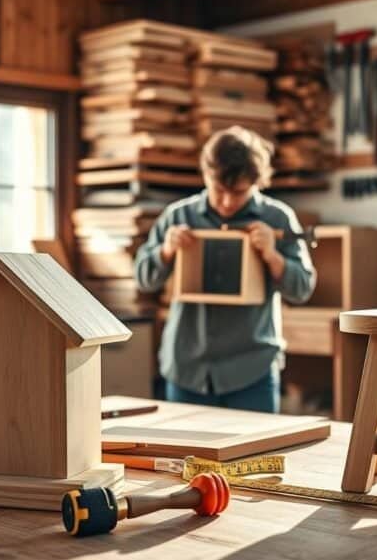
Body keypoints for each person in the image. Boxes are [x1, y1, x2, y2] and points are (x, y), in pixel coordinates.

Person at [133, 126, 316, 413]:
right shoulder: (178, 216)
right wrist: (165, 251)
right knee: (187, 458)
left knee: (255, 459)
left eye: (239, 192)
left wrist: (272, 255)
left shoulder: (277, 218)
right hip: (187, 369)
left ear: (257, 182)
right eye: (220, 190)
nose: (228, 202)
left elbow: (303, 288)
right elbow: (144, 279)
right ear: (205, 175)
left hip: (251, 370)